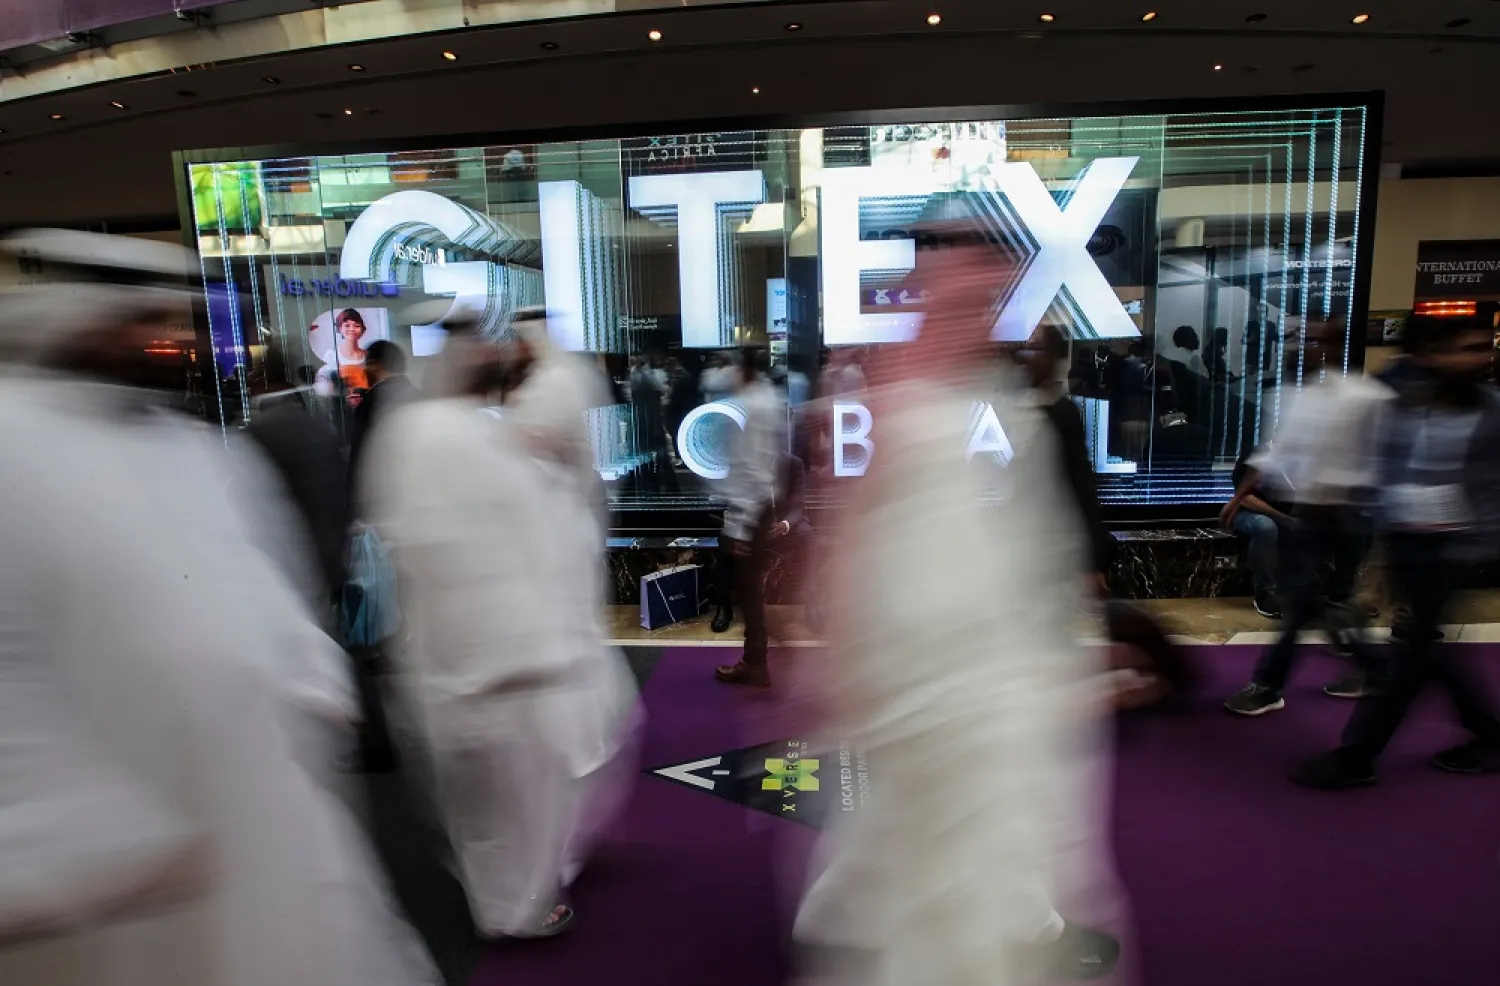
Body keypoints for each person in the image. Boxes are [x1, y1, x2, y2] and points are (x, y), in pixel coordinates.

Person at [0, 229, 435, 986]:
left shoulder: (193, 449)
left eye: (166, 319)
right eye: (134, 319)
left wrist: (311, 668)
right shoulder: (14, 449)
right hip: (120, 846)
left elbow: (254, 576)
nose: (156, 338)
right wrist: (83, 829)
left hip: (254, 788)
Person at [794, 236, 1123, 983]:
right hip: (930, 666)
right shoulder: (903, 402)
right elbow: (858, 536)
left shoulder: (984, 400)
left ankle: (851, 921)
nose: (992, 316)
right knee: (951, 827)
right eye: (974, 300)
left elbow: (1009, 535)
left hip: (980, 661)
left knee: (952, 818)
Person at [361, 311, 624, 940]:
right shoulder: (435, 435)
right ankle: (514, 910)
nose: (493, 353)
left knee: (496, 801)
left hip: (484, 660)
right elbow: (447, 552)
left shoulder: (456, 432)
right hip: (484, 662)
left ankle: (506, 900)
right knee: (507, 797)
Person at [1291, 315, 1500, 789]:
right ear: (1430, 354)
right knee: (1423, 649)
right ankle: (1488, 733)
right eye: (1463, 348)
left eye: (1481, 348)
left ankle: (1357, 755)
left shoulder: (1490, 410)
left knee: (1412, 651)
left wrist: (1480, 539)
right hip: (1404, 535)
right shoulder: (1400, 398)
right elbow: (1382, 459)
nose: (1475, 358)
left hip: (1451, 543)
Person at [1221, 315, 1392, 716]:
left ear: (1336, 346)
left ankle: (1274, 683)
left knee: (1323, 602)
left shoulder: (1366, 398)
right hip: (1309, 518)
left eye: (1317, 340)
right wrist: (1238, 497)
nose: (1306, 347)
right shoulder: (1300, 398)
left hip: (1349, 517)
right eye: (1304, 340)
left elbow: (1386, 458)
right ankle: (1279, 682)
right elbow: (1273, 453)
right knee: (1304, 605)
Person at [1018, 324, 1194, 704]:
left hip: (1055, 547)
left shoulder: (1062, 412)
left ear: (1055, 358)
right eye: (1027, 348)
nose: (1027, 356)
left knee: (1046, 627)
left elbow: (1080, 484)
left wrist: (1093, 557)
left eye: (1036, 349)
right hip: (1028, 544)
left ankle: (1127, 686)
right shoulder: (1028, 407)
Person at [713, 346, 785, 687]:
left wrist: (740, 524)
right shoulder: (767, 398)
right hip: (759, 504)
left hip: (750, 508)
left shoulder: (750, 407)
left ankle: (757, 659)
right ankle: (758, 652)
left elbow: (749, 467)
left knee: (747, 589)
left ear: (743, 370)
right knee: (745, 586)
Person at [349, 339, 419, 504]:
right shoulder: (419, 396)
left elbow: (361, 458)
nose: (364, 370)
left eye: (366, 364)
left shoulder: (370, 403)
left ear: (375, 365)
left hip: (384, 497)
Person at [1224, 447, 1291, 620]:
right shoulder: (1256, 455)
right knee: (1265, 527)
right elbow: (1246, 499)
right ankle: (1265, 591)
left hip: (1289, 514)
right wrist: (1286, 519)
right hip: (1251, 513)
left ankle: (1338, 590)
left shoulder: (1302, 460)